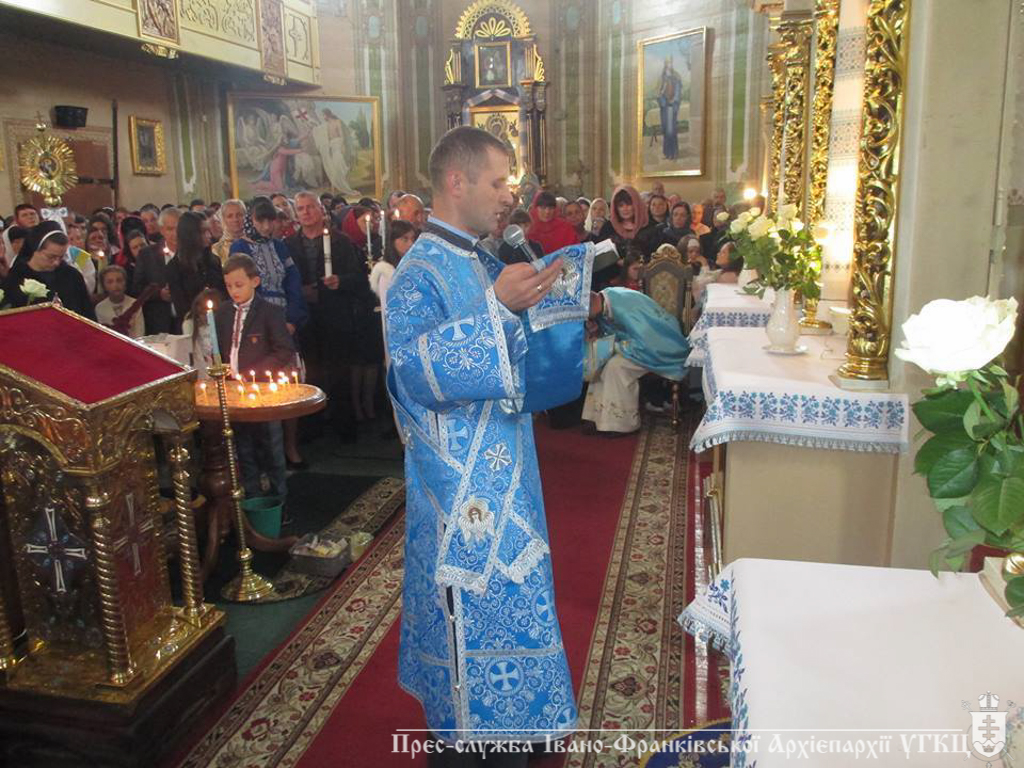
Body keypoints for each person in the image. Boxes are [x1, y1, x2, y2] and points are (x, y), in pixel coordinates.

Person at [386, 125, 592, 763]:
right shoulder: (419, 272)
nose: (510, 195)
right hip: (461, 497)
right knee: (469, 634)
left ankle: (511, 741)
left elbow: (519, 359)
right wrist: (498, 311)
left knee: (517, 611)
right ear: (457, 181)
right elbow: (412, 373)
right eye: (499, 182)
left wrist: (558, 304)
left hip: (507, 471)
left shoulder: (481, 259)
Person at [215, 255, 295, 504]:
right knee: (244, 446)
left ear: (255, 281)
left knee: (271, 446)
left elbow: (284, 349)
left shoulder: (270, 312)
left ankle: (278, 499)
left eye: (239, 285)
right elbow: (221, 347)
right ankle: (252, 498)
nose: (233, 291)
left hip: (262, 391)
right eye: (229, 286)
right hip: (234, 391)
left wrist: (255, 373)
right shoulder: (223, 313)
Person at [582, 287, 689, 435]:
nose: (584, 318)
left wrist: (612, 346)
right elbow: (611, 333)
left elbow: (647, 339)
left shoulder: (625, 306)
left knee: (615, 367)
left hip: (660, 345)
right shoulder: (603, 304)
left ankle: (621, 424)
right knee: (602, 364)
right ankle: (600, 419)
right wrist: (595, 332)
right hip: (633, 345)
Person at [229, 198, 309, 333]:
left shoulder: (279, 246)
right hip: (255, 319)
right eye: (260, 221)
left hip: (284, 315)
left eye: (270, 221)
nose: (266, 227)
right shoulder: (239, 248)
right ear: (250, 220)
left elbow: (293, 281)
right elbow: (241, 286)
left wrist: (291, 319)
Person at [3, 222, 95, 320]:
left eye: (61, 257)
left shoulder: (72, 275)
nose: (56, 263)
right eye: (51, 257)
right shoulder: (17, 276)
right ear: (36, 249)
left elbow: (87, 315)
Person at [166, 211, 225, 327]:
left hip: (220, 322)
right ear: (190, 235)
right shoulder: (175, 267)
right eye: (203, 232)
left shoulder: (214, 261)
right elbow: (181, 307)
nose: (209, 235)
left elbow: (223, 293)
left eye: (208, 231)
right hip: (193, 326)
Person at [133, 207, 180, 334]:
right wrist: (159, 294)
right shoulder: (147, 255)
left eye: (178, 228)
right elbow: (137, 288)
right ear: (162, 230)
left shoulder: (193, 254)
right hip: (158, 323)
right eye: (170, 229)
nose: (175, 233)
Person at [182, 287, 226, 378]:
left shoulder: (222, 323)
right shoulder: (190, 324)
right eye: (201, 314)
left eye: (209, 314)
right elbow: (190, 349)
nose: (205, 317)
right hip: (200, 367)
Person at [95, 265, 145, 338]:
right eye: (110, 282)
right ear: (104, 286)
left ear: (125, 283)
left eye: (119, 280)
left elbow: (140, 333)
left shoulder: (135, 304)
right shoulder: (100, 308)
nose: (115, 285)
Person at [213, 199, 246, 265]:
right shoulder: (217, 249)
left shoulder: (255, 243)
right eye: (230, 216)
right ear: (223, 219)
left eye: (239, 215)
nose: (235, 219)